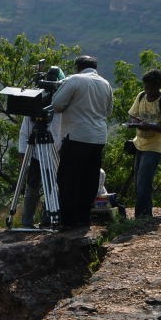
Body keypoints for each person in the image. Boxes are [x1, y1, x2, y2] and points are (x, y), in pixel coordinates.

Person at [51, 55, 113, 228]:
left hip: (76, 136)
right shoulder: (105, 83)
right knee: (90, 178)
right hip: (98, 137)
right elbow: (108, 111)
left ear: (78, 67)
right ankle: (84, 218)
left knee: (68, 178)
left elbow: (57, 104)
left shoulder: (75, 80)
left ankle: (68, 220)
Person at [127, 69, 161, 219]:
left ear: (158, 86)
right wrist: (137, 123)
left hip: (155, 146)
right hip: (139, 143)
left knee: (144, 181)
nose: (147, 91)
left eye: (150, 88)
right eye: (145, 87)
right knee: (138, 182)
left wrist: (150, 126)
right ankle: (144, 212)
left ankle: (142, 216)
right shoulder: (141, 96)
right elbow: (132, 114)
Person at [16, 90, 64, 227]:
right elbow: (24, 133)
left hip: (52, 153)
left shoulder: (59, 109)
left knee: (52, 188)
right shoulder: (33, 109)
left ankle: (48, 218)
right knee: (32, 187)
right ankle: (27, 221)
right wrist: (24, 157)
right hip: (36, 154)